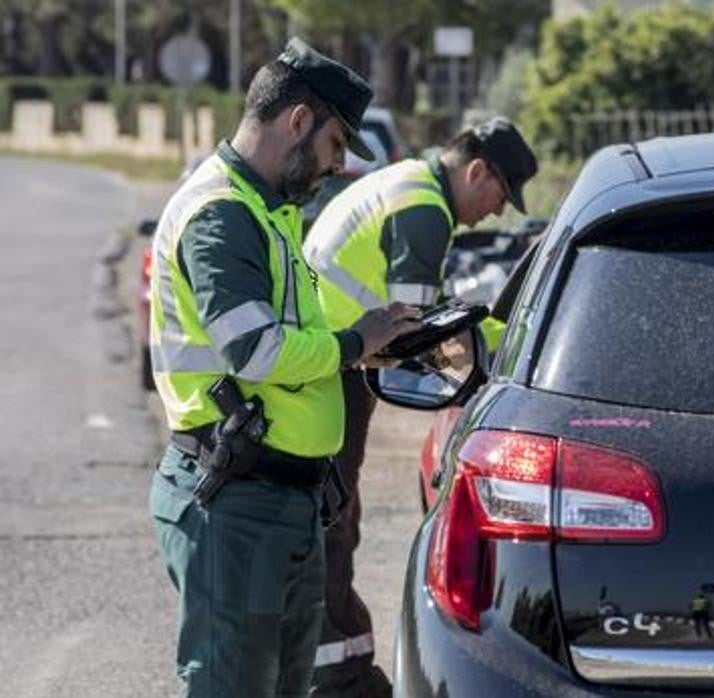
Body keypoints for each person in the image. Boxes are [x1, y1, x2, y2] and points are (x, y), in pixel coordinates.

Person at [147, 38, 421, 698]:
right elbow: (257, 350)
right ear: (298, 122)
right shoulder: (223, 215)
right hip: (236, 506)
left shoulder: (269, 212)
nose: (335, 167)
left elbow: (297, 334)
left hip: (281, 502)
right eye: (334, 146)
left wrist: (367, 340)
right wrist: (355, 343)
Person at [301, 117, 537, 695]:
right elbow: (415, 338)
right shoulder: (426, 210)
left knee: (338, 515)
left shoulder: (408, 182)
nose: (497, 212)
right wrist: (483, 360)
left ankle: (338, 662)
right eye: (500, 195)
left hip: (325, 358)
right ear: (477, 170)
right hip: (335, 369)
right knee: (332, 520)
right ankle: (335, 677)